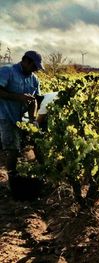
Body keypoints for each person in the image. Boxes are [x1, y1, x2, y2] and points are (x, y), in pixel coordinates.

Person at [0, 50, 44, 189]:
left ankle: (43, 173)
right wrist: (18, 97)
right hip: (5, 115)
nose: (36, 69)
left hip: (22, 118)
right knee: (12, 149)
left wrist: (33, 120)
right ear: (26, 61)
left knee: (33, 144)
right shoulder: (7, 71)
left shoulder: (34, 79)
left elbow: (35, 100)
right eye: (34, 66)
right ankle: (12, 182)